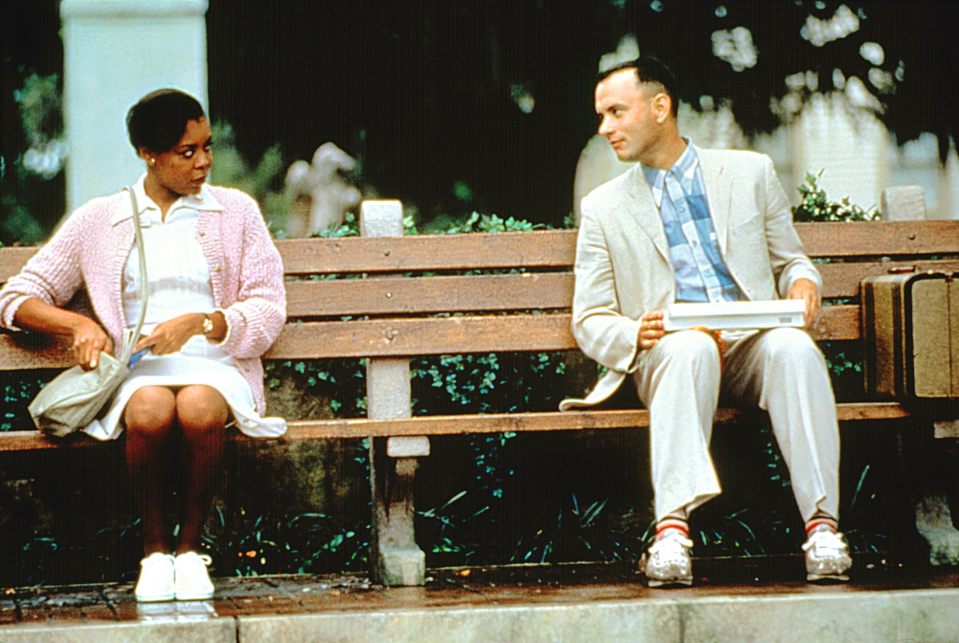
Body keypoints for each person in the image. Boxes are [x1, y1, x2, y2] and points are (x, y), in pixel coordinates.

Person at [560, 58, 852, 587]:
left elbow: (791, 262)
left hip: (751, 345)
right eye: (602, 115)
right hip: (670, 354)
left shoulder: (750, 173)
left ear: (660, 107)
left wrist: (803, 284)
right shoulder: (603, 207)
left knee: (794, 348)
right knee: (689, 346)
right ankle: (671, 534)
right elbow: (591, 317)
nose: (604, 127)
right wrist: (634, 333)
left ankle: (823, 529)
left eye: (616, 112)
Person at [0, 89, 287, 601]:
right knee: (150, 408)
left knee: (199, 406)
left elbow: (268, 307)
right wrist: (76, 326)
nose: (203, 162)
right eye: (186, 152)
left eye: (207, 147)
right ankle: (154, 553)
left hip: (216, 362)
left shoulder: (235, 212)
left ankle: (190, 550)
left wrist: (201, 323)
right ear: (147, 154)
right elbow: (17, 296)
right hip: (139, 370)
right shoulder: (101, 219)